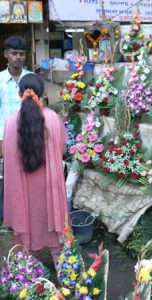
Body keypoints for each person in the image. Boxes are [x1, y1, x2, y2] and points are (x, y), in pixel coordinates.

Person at [3, 73, 69, 262]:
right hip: (50, 188)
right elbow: (62, 151)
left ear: (19, 93)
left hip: (23, 192)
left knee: (28, 228)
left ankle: (29, 276)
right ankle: (66, 275)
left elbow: (9, 160)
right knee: (54, 233)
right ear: (43, 93)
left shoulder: (10, 123)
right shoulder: (53, 119)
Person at [0, 35, 31, 219]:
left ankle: (25, 214)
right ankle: (6, 215)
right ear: (6, 54)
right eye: (14, 53)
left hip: (28, 136)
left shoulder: (32, 78)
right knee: (6, 178)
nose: (18, 57)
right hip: (5, 137)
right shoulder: (0, 80)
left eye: (21, 53)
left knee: (27, 175)